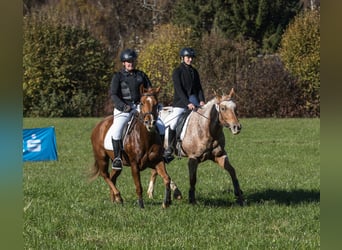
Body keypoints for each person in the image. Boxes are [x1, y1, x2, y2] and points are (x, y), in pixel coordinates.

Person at [110, 48, 165, 170]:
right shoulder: (118, 77)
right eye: (128, 61)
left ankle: (162, 152)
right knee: (117, 130)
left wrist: (153, 103)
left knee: (161, 126)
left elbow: (150, 91)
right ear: (123, 63)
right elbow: (113, 94)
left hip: (141, 108)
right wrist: (123, 106)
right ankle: (118, 158)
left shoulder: (141, 75)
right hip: (123, 109)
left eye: (132, 61)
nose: (131, 63)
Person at [163, 47, 205, 161]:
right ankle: (170, 149)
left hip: (195, 102)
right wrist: (187, 103)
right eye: (188, 57)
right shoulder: (177, 71)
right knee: (173, 123)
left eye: (191, 58)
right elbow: (179, 89)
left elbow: (199, 88)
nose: (190, 60)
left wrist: (201, 100)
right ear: (182, 58)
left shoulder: (194, 71)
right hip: (180, 103)